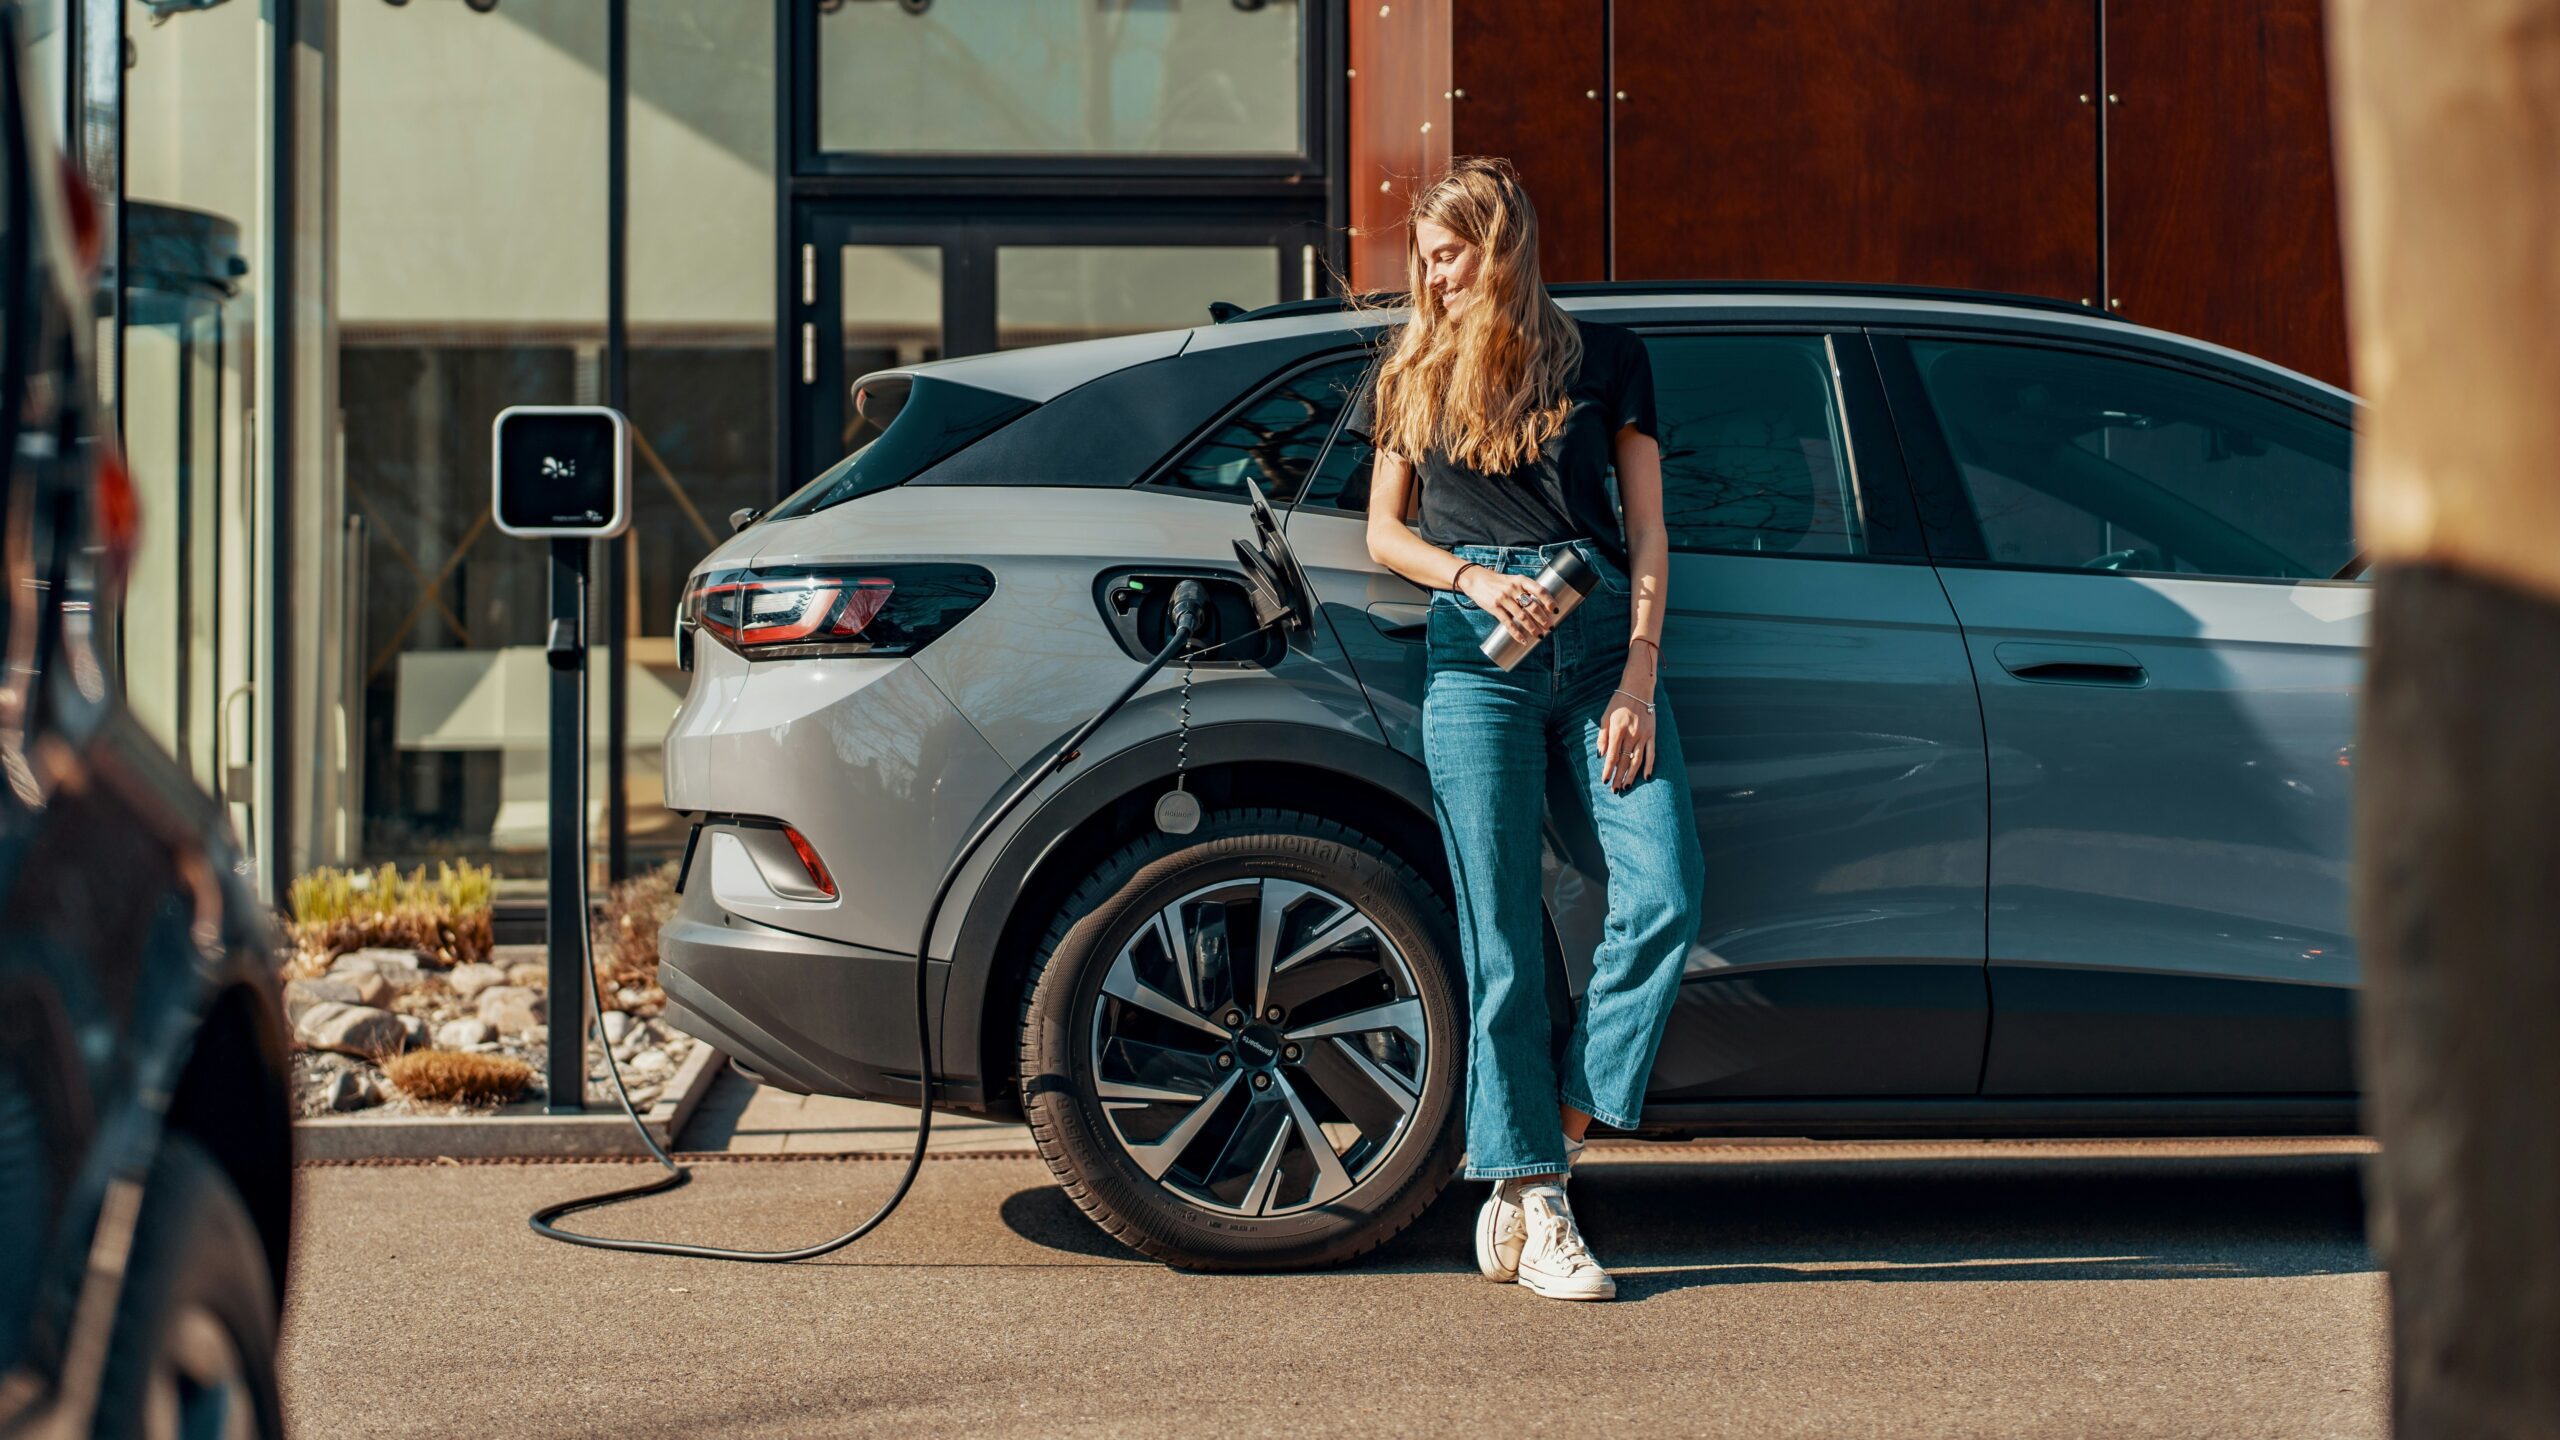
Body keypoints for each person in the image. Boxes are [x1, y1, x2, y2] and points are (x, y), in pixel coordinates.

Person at [1363, 157, 1705, 1302]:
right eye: (1424, 258)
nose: (1432, 276)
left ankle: (1545, 1143)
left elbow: (1648, 532)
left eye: (1448, 254)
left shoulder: (1606, 358)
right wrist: (1469, 578)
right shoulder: (1412, 368)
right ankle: (1536, 1195)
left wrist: (1639, 676)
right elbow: (1383, 535)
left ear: (1500, 245)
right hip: (1478, 660)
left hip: (1601, 648)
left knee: (1665, 894)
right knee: (1501, 932)